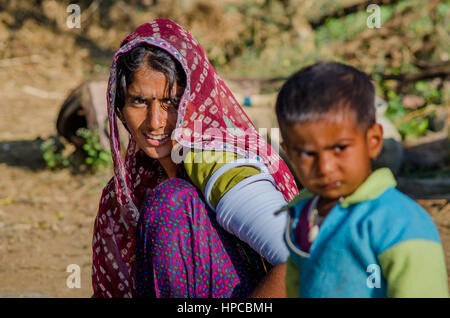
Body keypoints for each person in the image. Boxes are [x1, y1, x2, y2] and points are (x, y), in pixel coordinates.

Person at [91, 18, 299, 298]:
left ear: (193, 102)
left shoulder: (218, 163)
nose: (155, 122)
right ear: (120, 109)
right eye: (139, 101)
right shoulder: (134, 185)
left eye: (172, 103)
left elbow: (303, 261)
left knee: (171, 202)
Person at [274, 62, 449, 297]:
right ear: (289, 153)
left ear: (374, 141)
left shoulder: (399, 222)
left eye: (340, 148)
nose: (325, 167)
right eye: (307, 153)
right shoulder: (302, 213)